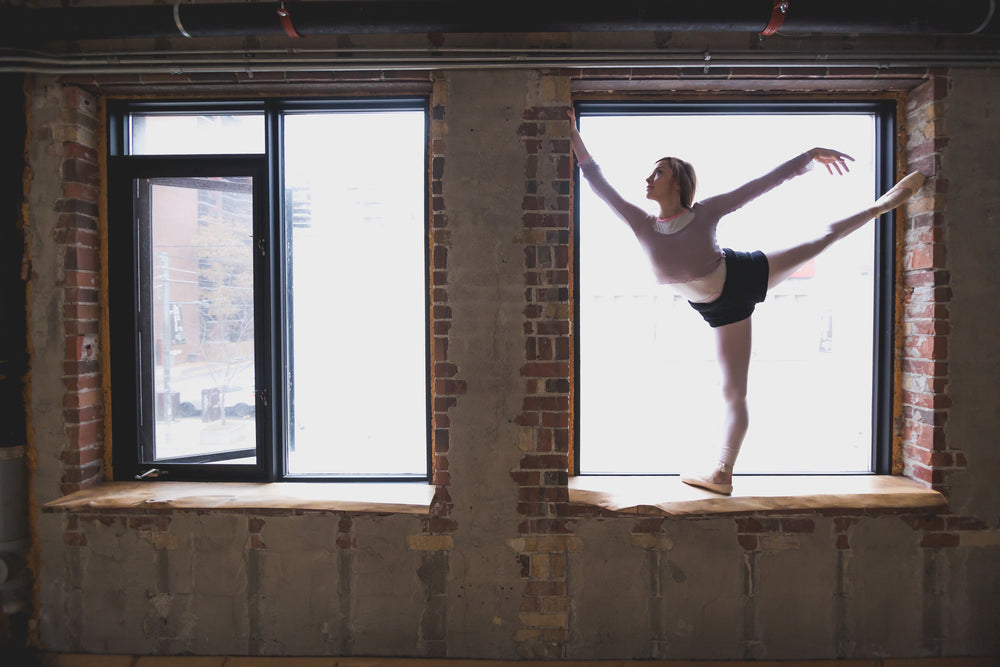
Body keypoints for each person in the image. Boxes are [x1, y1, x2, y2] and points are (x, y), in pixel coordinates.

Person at [566, 110, 924, 495]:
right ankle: (723, 476)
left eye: (658, 173)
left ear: (678, 182)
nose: (648, 179)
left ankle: (881, 205)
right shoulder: (641, 223)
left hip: (742, 274)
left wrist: (808, 155)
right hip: (720, 310)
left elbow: (761, 185)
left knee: (822, 238)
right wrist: (571, 132)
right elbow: (596, 179)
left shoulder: (706, 213)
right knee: (733, 391)